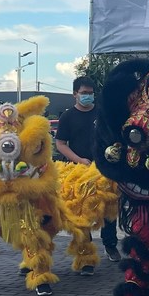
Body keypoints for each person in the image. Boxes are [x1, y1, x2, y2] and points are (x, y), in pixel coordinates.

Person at [55, 76, 121, 263]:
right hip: (79, 172)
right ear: (75, 94)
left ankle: (110, 245)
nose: (88, 96)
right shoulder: (68, 116)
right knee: (81, 211)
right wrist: (78, 160)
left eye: (90, 93)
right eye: (84, 93)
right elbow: (60, 144)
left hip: (104, 169)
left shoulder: (102, 114)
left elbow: (113, 137)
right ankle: (86, 248)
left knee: (109, 208)